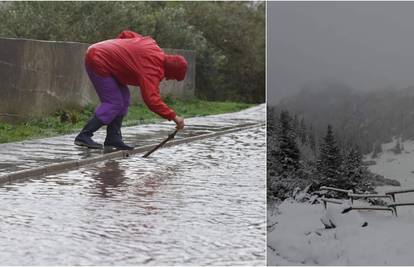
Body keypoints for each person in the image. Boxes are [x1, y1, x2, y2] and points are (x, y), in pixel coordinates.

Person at [74, 30, 187, 150]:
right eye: (172, 77)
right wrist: (174, 117)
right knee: (114, 103)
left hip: (102, 56)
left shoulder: (152, 45)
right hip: (98, 60)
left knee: (124, 98)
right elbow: (152, 100)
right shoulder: (152, 68)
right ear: (171, 71)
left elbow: (126, 34)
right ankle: (84, 136)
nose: (168, 79)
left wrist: (120, 54)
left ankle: (113, 139)